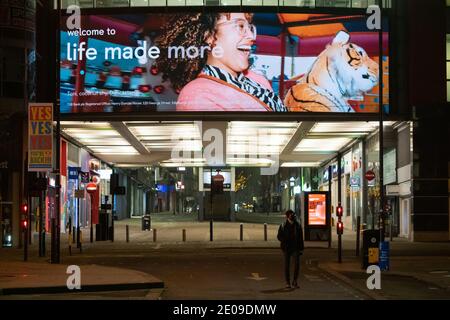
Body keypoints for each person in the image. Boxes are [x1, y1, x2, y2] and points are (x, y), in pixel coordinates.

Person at [156, 13, 287, 112]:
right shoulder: (196, 95)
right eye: (240, 26)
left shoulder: (258, 79)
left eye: (250, 28)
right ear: (210, 36)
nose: (252, 37)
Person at [277, 210, 304, 289]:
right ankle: (288, 282)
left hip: (295, 248)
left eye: (293, 214)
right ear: (287, 216)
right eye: (291, 215)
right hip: (286, 248)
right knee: (287, 266)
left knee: (297, 265)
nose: (293, 216)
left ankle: (295, 281)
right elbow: (279, 236)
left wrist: (301, 248)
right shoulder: (283, 225)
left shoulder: (297, 225)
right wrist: (284, 240)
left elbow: (300, 238)